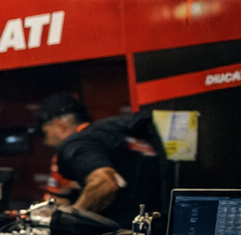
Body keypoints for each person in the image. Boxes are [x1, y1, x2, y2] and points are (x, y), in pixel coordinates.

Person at [37, 94, 162, 225]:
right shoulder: (113, 131)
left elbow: (104, 183)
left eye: (44, 133)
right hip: (166, 226)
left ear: (58, 125)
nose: (46, 141)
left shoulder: (74, 143)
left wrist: (70, 222)